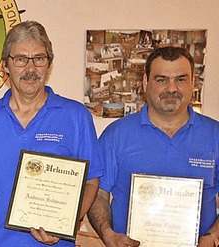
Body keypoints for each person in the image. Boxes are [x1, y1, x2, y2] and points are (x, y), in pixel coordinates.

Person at [0, 20, 103, 246]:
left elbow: (91, 181)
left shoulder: (76, 116)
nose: (30, 69)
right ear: (5, 66)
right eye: (20, 59)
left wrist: (66, 223)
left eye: (39, 58)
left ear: (49, 64)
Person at [87, 47, 219, 247]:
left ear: (193, 83)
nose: (172, 88)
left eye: (181, 79)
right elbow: (98, 194)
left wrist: (212, 238)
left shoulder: (215, 134)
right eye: (161, 79)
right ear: (145, 83)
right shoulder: (116, 135)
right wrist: (107, 233)